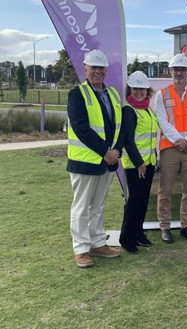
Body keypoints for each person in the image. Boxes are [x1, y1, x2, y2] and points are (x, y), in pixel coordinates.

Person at [67, 49, 122, 268]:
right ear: (85, 69)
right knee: (81, 207)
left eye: (101, 68)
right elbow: (81, 128)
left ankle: (97, 243)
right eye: (94, 67)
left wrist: (116, 151)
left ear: (106, 70)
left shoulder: (114, 94)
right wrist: (106, 152)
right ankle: (81, 249)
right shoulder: (77, 94)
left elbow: (118, 126)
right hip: (85, 161)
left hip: (107, 161)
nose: (98, 71)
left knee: (97, 206)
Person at [154, 53, 187, 244]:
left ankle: (185, 225)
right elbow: (162, 121)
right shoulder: (161, 94)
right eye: (175, 69)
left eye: (182, 69)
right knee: (165, 190)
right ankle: (165, 227)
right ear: (170, 71)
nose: (179, 73)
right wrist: (179, 140)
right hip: (169, 147)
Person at [119, 71, 158, 254]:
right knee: (134, 201)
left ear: (147, 90)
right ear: (130, 89)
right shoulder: (129, 110)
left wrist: (151, 159)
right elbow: (128, 140)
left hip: (148, 162)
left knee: (143, 201)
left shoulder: (148, 109)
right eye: (135, 89)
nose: (139, 92)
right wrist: (139, 163)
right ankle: (126, 238)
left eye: (142, 89)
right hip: (136, 165)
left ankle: (138, 233)